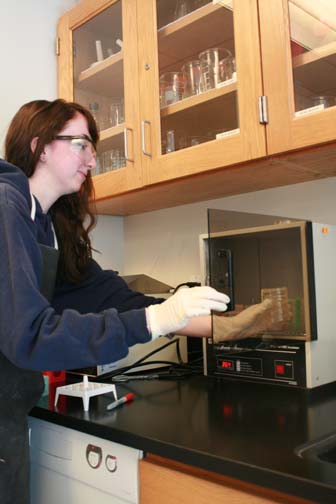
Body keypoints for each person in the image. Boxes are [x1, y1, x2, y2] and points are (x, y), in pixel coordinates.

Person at [0, 99, 271, 503]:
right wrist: (155, 320)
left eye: (93, 147)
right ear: (40, 146)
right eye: (80, 144)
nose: (92, 158)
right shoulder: (7, 205)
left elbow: (126, 301)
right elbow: (31, 335)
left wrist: (236, 323)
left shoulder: (49, 231)